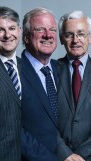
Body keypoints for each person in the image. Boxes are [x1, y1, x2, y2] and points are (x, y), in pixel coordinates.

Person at [21, 7, 58, 161]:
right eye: (40, 29)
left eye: (52, 30)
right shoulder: (12, 72)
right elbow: (10, 129)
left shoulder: (62, 69)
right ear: (26, 37)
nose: (48, 35)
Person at [57, 11, 91, 161]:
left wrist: (82, 155)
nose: (75, 40)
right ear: (61, 38)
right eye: (69, 35)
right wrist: (64, 153)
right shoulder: (50, 70)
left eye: (81, 34)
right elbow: (42, 118)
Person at [0, 6, 21, 161]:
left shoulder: (28, 67)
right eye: (0, 29)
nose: (8, 35)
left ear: (19, 30)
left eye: (12, 28)